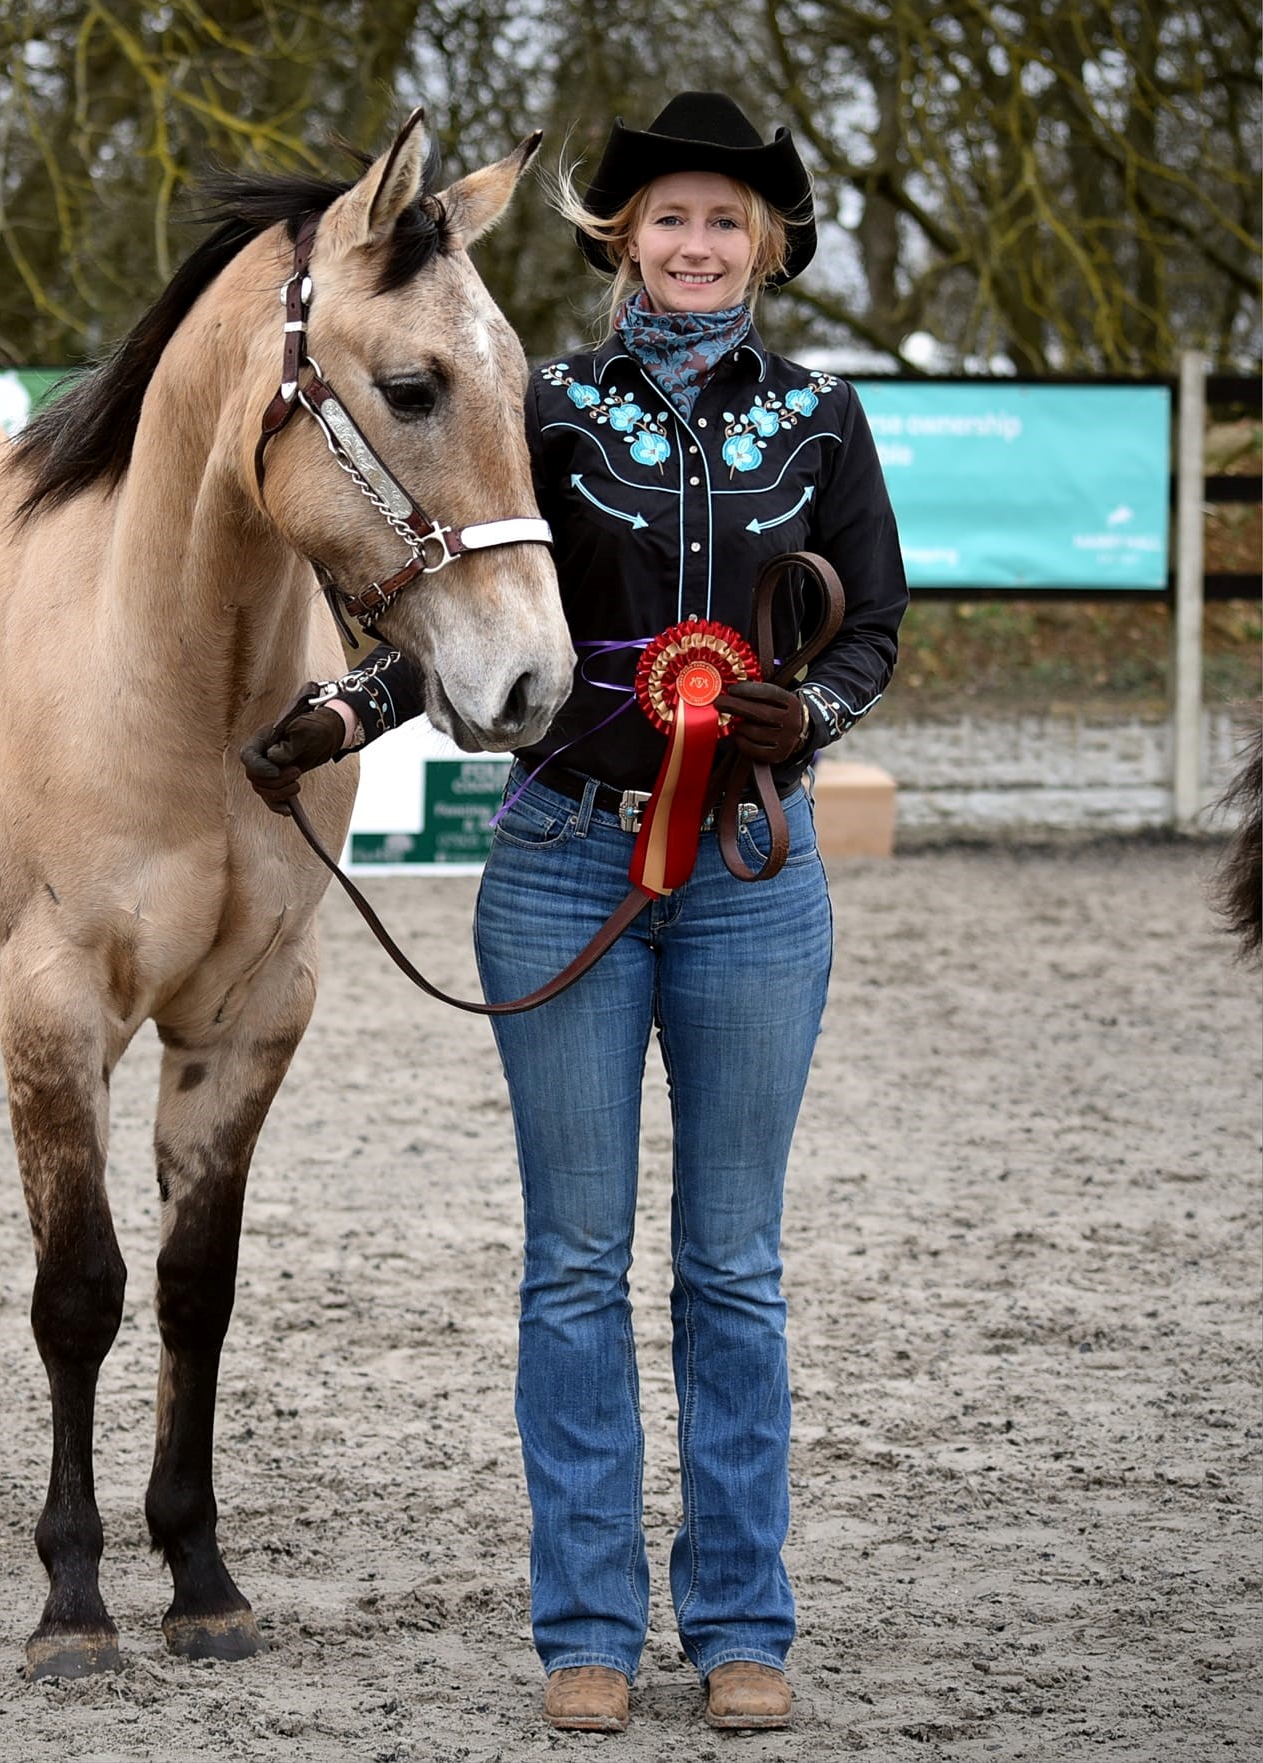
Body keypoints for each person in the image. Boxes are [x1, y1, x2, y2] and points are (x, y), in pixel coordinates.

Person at [244, 92, 907, 1734]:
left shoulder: (822, 418)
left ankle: (743, 1622)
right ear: (625, 238)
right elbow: (471, 599)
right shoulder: (548, 403)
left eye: (727, 222)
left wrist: (800, 722)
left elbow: (874, 626)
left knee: (735, 1268)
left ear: (767, 246)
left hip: (756, 881)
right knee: (573, 1267)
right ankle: (589, 1631)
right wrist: (348, 711)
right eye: (671, 219)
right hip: (560, 869)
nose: (698, 245)